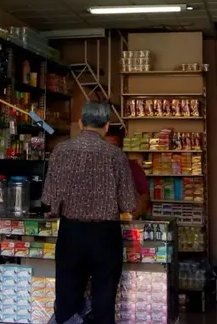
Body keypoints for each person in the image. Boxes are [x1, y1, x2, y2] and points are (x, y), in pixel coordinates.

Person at [41, 101, 137, 324]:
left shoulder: (62, 151)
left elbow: (50, 201)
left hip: (71, 233)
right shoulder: (116, 155)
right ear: (106, 126)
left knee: (67, 297)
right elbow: (128, 202)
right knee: (104, 298)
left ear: (81, 123)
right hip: (105, 236)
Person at [105, 127, 150, 218]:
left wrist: (136, 213)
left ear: (120, 148)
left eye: (113, 146)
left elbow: (144, 195)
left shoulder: (133, 167)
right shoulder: (97, 168)